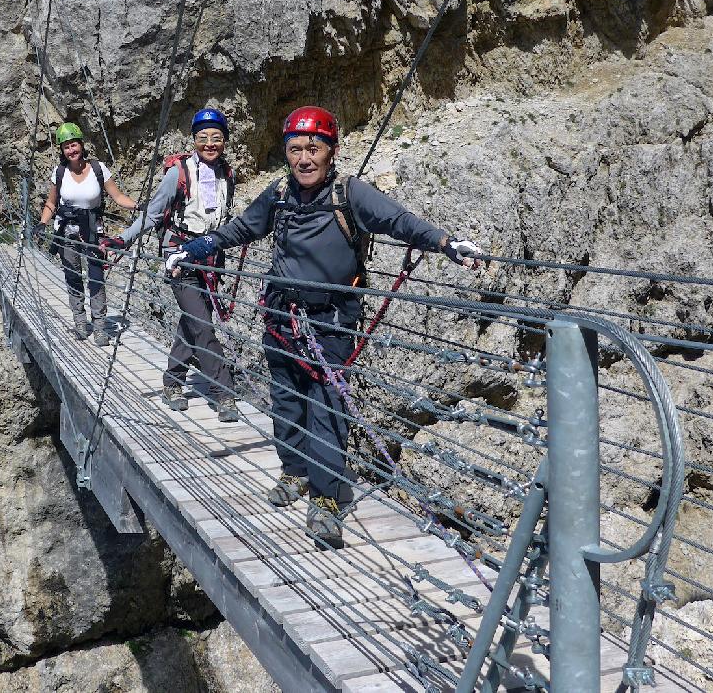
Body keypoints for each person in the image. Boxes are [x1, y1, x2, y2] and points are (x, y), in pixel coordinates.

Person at [166, 106, 482, 548]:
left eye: (313, 148)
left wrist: (446, 244)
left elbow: (398, 221)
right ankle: (294, 471)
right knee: (286, 397)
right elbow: (241, 228)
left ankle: (327, 498)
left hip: (332, 320)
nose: (303, 158)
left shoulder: (350, 193)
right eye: (294, 149)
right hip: (281, 316)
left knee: (326, 405)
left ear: (330, 151)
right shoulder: (278, 194)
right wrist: (197, 247)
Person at [106, 108, 240, 422]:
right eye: (203, 137)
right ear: (194, 140)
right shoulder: (177, 173)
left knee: (193, 321)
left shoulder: (227, 174)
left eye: (216, 138)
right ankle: (225, 394)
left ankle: (172, 381)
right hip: (180, 255)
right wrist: (123, 241)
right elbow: (153, 213)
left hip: (210, 258)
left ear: (224, 141)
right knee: (203, 325)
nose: (210, 143)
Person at [33, 122, 137, 346]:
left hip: (93, 232)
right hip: (66, 232)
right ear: (62, 151)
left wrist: (138, 207)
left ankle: (100, 327)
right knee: (73, 277)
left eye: (74, 145)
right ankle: (80, 322)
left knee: (96, 278)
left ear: (81, 145)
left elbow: (118, 196)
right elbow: (51, 203)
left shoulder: (98, 169)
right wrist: (42, 223)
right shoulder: (60, 173)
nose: (71, 150)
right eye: (66, 147)